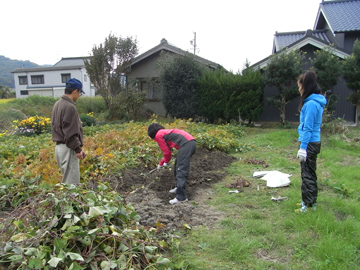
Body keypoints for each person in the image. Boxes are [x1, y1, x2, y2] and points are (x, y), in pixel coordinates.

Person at [296, 71, 327, 212]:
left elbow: (308, 128)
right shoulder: (313, 102)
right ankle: (309, 202)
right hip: (311, 142)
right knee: (309, 172)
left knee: (307, 174)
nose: (299, 89)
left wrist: (303, 148)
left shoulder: (311, 104)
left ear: (306, 87)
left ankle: (308, 206)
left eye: (300, 86)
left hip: (309, 144)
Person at [148, 123, 197, 204]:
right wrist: (161, 163)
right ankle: (178, 187)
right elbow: (168, 151)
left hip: (186, 144)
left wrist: (166, 162)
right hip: (189, 143)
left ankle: (181, 197)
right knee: (177, 165)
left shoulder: (158, 135)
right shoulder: (164, 133)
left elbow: (166, 153)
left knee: (180, 169)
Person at [51, 78, 86, 184]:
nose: (79, 96)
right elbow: (70, 133)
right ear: (75, 91)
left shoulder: (58, 104)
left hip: (59, 148)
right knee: (72, 186)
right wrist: (78, 149)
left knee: (67, 182)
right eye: (80, 93)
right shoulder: (70, 107)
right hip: (68, 148)